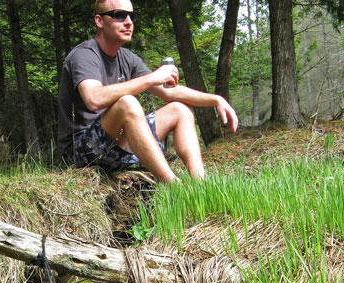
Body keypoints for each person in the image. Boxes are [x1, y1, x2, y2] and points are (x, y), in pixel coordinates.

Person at [58, 0, 238, 183]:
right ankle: (173, 185)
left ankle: (201, 184)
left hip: (118, 147)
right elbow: (93, 98)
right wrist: (151, 78)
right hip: (82, 154)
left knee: (180, 110)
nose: (128, 22)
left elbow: (169, 92)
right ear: (99, 21)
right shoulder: (85, 55)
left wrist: (216, 100)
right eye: (119, 15)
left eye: (131, 16)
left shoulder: (127, 58)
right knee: (128, 103)